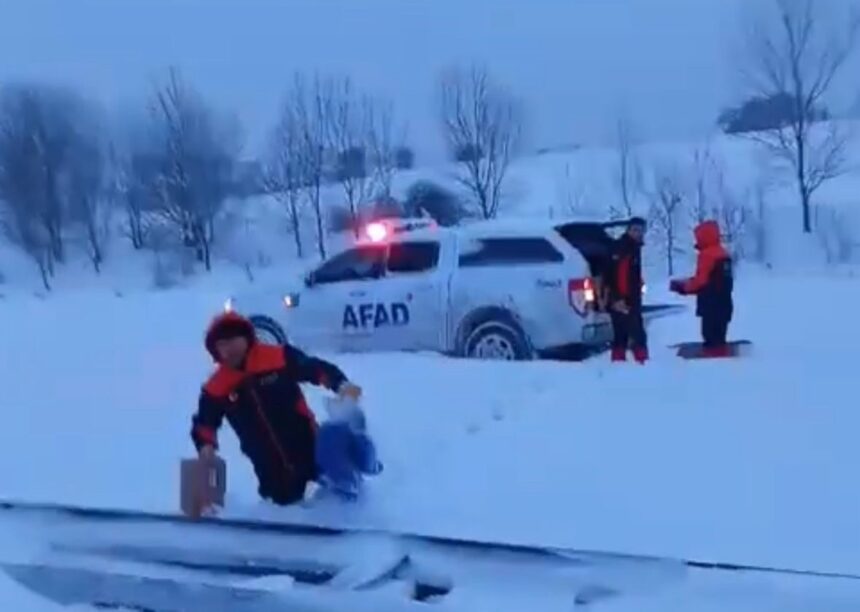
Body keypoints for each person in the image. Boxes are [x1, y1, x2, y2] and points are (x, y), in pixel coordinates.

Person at [191, 311, 363, 506]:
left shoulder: (278, 357)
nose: (228, 350)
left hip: (310, 449)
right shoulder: (217, 387)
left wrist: (341, 385)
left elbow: (315, 369)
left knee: (333, 446)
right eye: (221, 345)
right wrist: (206, 447)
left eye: (232, 341)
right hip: (271, 470)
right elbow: (204, 424)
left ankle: (353, 504)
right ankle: (204, 512)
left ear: (246, 338)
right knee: (284, 507)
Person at [670, 220, 734, 357]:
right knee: (720, 335)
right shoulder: (724, 254)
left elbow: (701, 281)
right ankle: (723, 361)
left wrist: (683, 288)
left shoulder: (706, 255)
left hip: (710, 304)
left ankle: (713, 365)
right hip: (725, 302)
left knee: (709, 335)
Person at [607, 217, 648, 363]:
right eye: (635, 230)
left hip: (629, 298)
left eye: (641, 230)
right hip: (624, 300)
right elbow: (619, 275)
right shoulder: (624, 248)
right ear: (628, 230)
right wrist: (619, 299)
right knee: (635, 335)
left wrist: (639, 282)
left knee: (622, 334)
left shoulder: (633, 247)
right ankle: (643, 365)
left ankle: (620, 367)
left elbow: (630, 274)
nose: (638, 233)